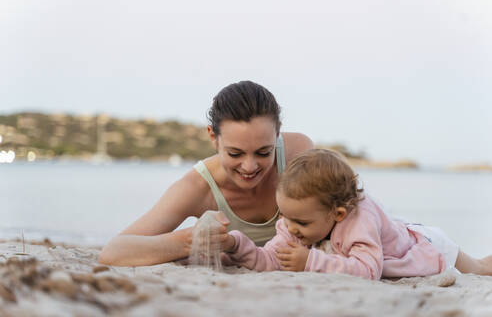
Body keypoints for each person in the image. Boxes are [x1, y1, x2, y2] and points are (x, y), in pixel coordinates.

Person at [98, 80, 314, 266]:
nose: (249, 166)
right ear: (213, 137)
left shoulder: (299, 155)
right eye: (235, 153)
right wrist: (191, 240)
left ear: (277, 132)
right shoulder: (198, 187)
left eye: (264, 152)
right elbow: (114, 251)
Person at [222, 149, 492, 280]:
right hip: (396, 233)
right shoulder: (295, 222)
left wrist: (310, 260)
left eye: (301, 222)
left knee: (480, 269)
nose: (289, 228)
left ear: (338, 214)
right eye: (286, 216)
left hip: (427, 246)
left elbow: (368, 270)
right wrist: (235, 245)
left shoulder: (359, 221)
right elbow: (269, 259)